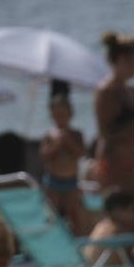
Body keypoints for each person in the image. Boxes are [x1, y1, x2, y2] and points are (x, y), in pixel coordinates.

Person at [92, 32, 134, 196]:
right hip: (113, 162)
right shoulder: (106, 91)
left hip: (132, 162)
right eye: (132, 60)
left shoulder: (131, 90)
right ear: (119, 60)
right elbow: (106, 132)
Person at [39, 84, 86, 235]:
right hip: (53, 181)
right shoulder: (49, 135)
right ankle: (51, 239)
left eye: (63, 115)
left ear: (70, 115)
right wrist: (58, 144)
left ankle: (79, 243)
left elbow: (81, 154)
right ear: (52, 116)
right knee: (51, 215)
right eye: (57, 115)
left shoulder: (76, 134)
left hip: (71, 181)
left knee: (75, 216)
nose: (60, 119)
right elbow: (44, 156)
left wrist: (69, 143)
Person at [84, 189, 134, 267]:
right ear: (118, 211)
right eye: (132, 210)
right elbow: (125, 259)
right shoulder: (117, 230)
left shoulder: (103, 225)